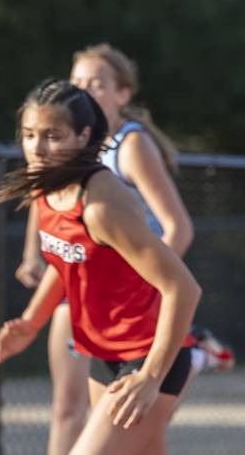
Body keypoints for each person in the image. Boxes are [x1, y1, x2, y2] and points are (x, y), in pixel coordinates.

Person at [14, 43, 234, 455]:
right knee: (69, 407)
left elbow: (178, 249)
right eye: (78, 81)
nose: (38, 147)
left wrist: (143, 284)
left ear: (122, 94)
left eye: (96, 83)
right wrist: (28, 321)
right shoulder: (52, 185)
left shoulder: (113, 173)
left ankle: (193, 350)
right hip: (100, 333)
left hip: (142, 336)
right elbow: (63, 258)